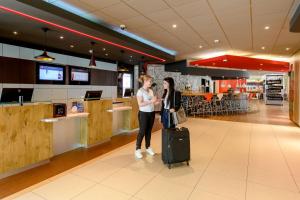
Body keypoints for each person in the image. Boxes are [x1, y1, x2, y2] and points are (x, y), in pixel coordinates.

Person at [135, 75, 160, 159]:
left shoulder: (151, 91)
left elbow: (153, 102)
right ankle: (137, 149)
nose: (151, 83)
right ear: (145, 82)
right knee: (142, 131)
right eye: (149, 81)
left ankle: (148, 147)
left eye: (151, 81)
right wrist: (151, 101)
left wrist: (157, 102)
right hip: (143, 113)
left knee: (149, 131)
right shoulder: (140, 91)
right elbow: (140, 104)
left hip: (151, 113)